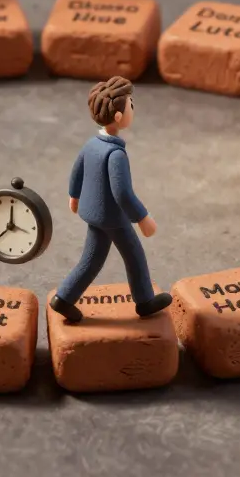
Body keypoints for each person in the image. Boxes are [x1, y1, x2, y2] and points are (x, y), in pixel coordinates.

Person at [50, 76, 172, 323]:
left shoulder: (92, 144)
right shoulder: (116, 154)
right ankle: (145, 301)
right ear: (118, 117)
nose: (133, 110)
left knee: (92, 259)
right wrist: (143, 218)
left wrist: (74, 196)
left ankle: (63, 298)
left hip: (92, 212)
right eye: (131, 105)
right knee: (134, 254)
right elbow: (122, 193)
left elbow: (77, 170)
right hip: (112, 217)